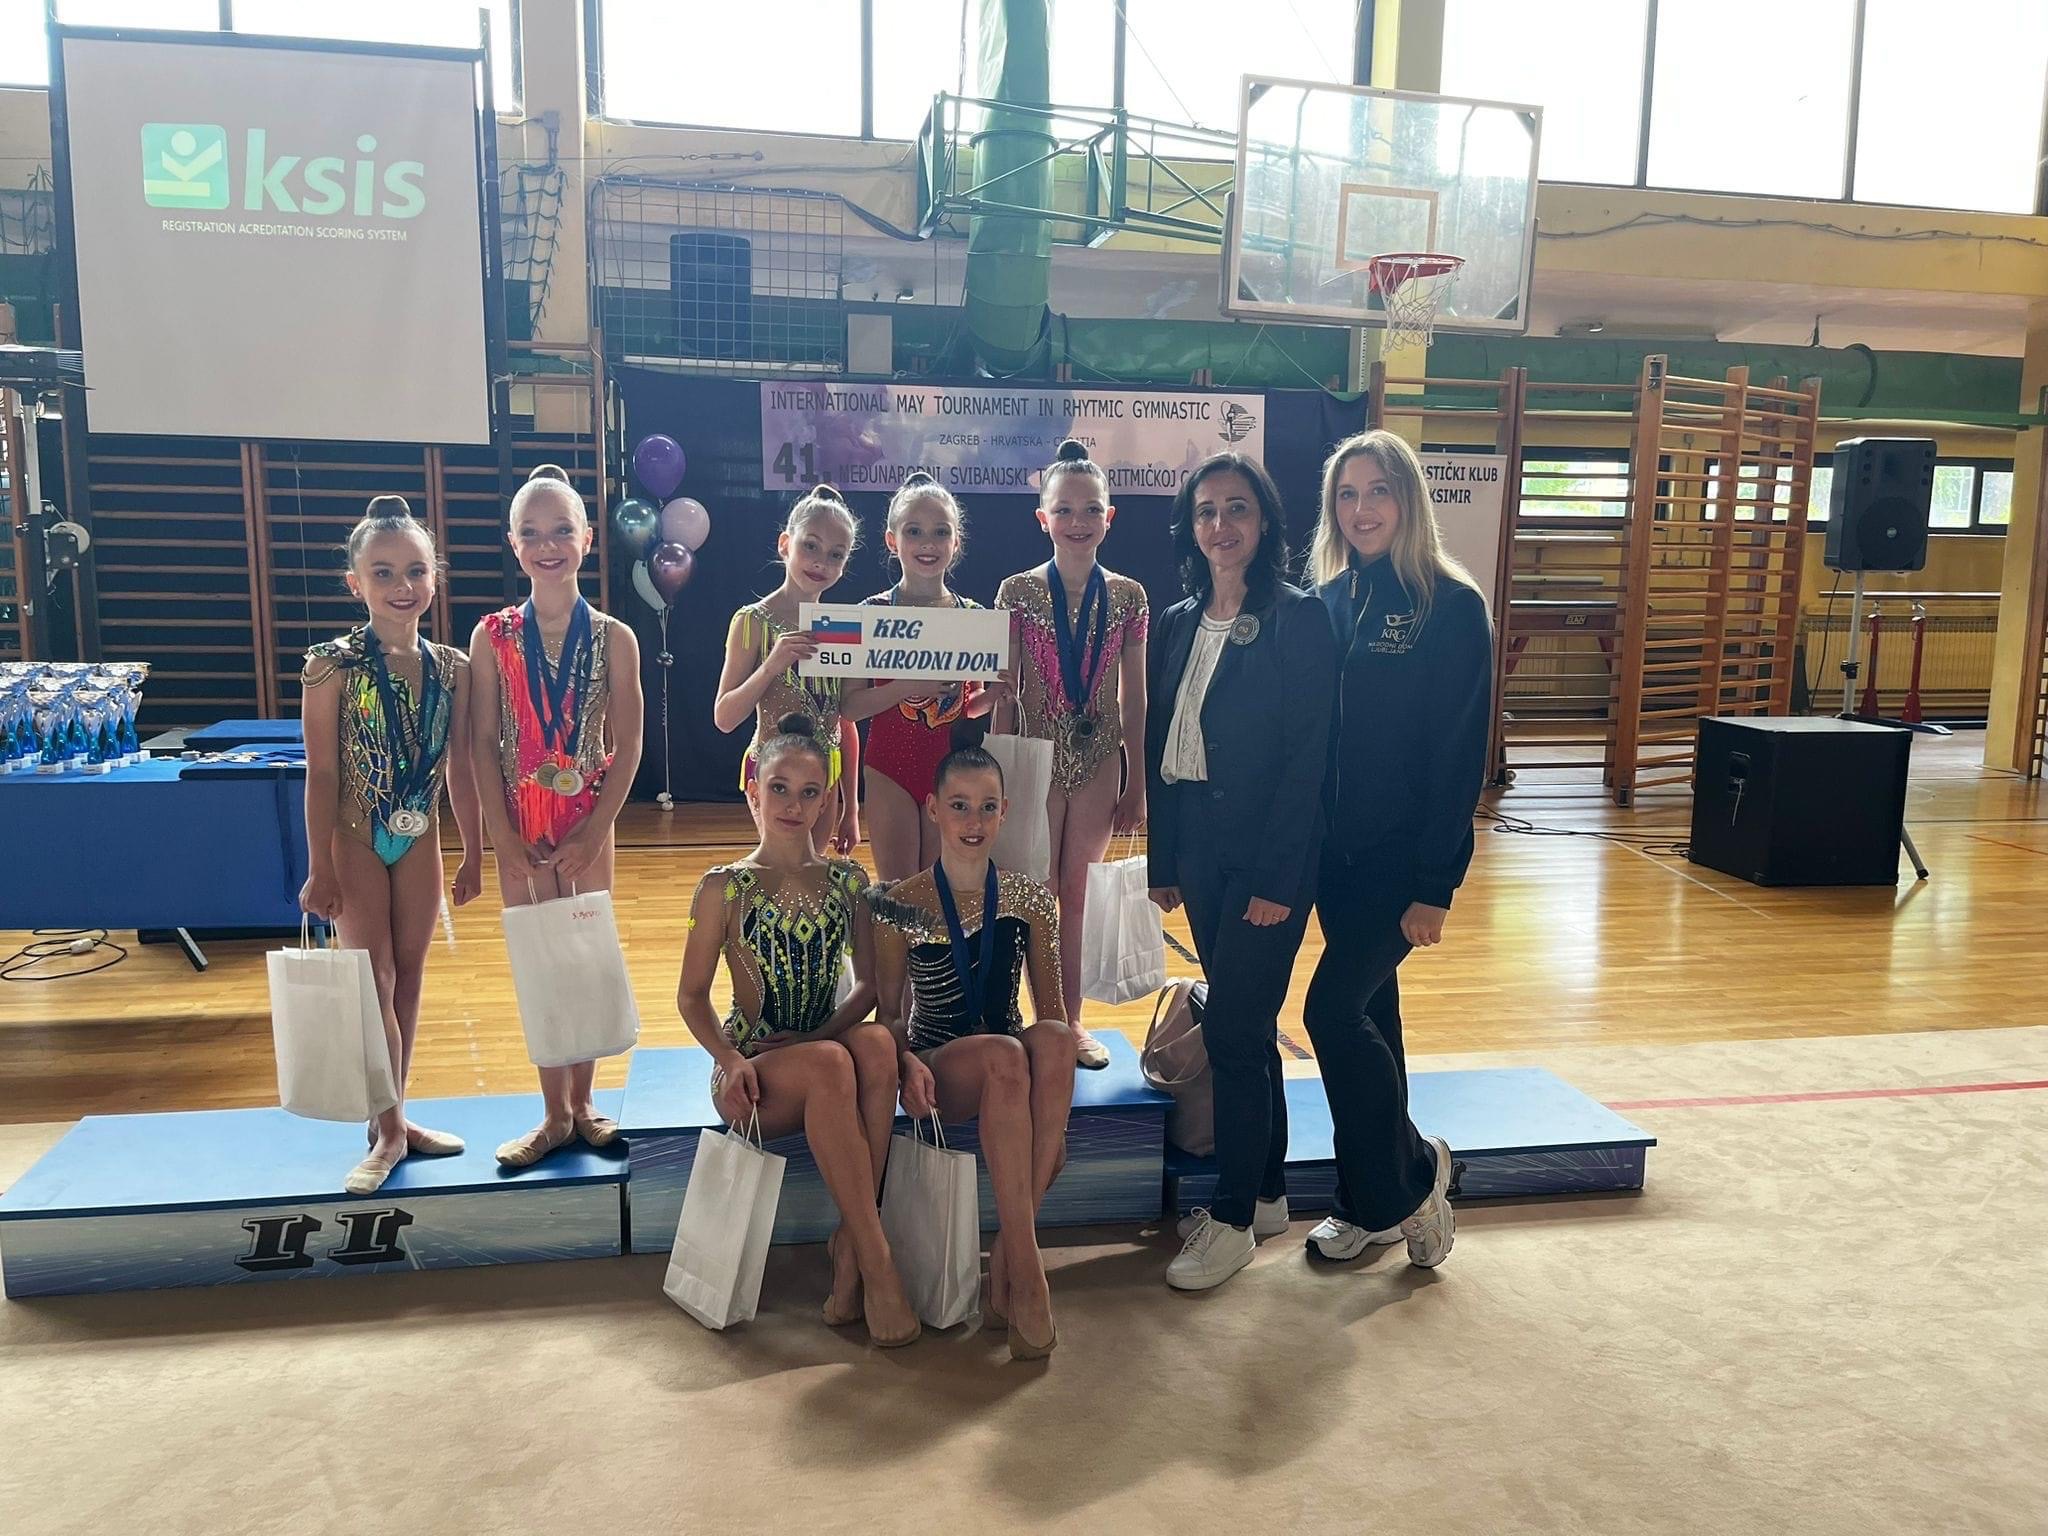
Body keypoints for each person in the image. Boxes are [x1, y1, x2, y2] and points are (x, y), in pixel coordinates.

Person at [1301, 429, 1493, 1270]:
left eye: (1378, 490)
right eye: (1347, 494)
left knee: (1329, 1013)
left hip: (1400, 865)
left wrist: (1434, 884)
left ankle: (1413, 1177)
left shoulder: (1451, 606)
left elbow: (1457, 756)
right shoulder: (1327, 602)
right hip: (1334, 864)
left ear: (1408, 498)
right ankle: (1364, 1198)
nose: (1362, 508)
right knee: (1373, 1020)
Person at [1143, 454, 1336, 1290]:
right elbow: (1161, 742)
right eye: (1207, 511)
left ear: (1265, 522)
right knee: (1249, 1027)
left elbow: (1307, 761)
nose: (1221, 525)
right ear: (1191, 527)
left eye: (1238, 509)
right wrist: (1163, 860)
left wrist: (1277, 880)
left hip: (1267, 862)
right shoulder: (1178, 621)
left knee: (1230, 1030)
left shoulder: (1300, 619)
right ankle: (1264, 1193)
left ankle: (1228, 1223)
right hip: (1198, 851)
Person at [675, 715, 919, 1347]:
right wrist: (729, 1059)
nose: (793, 805)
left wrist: (819, 1039)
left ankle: (852, 1243)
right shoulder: (723, 887)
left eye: (809, 792)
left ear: (828, 799)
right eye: (779, 788)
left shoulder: (848, 881)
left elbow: (869, 987)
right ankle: (876, 1262)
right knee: (834, 1062)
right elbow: (691, 997)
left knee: (875, 1043)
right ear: (753, 789)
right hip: (753, 1072)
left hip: (822, 1049)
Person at [299, 495, 483, 1195]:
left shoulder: (453, 667)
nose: (402, 587)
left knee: (408, 977)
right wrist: (318, 866)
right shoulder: (330, 664)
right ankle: (390, 1127)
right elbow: (321, 773)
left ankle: (392, 1120)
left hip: (420, 836)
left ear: (435, 576)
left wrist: (473, 850)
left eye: (415, 571)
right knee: (372, 979)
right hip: (353, 837)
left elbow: (462, 766)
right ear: (356, 583)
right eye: (383, 573)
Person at [867, 743, 1072, 1360]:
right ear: (932, 809)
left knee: (1056, 1039)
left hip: (1010, 1058)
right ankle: (1026, 1277)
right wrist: (904, 1062)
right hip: (941, 1064)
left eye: (987, 806)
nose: (973, 820)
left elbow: (1052, 1011)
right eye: (959, 806)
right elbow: (889, 1015)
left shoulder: (1030, 899)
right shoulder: (899, 903)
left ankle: (1009, 1255)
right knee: (1005, 1055)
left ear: (1005, 811)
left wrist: (1052, 1111)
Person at [468, 465, 645, 1167]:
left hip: (586, 816)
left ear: (588, 538)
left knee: (585, 952)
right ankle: (552, 1114)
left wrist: (596, 829)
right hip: (519, 818)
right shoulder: (492, 636)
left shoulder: (615, 637)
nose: (548, 546)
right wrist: (500, 839)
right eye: (532, 533)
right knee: (539, 962)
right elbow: (482, 743)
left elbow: (629, 744)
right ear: (513, 543)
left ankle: (585, 1101)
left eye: (562, 530)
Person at [993, 440, 1148, 1072]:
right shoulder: (1017, 592)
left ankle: (1071, 1020)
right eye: (1063, 510)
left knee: (1077, 894)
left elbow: (1135, 697)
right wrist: (999, 768)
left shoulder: (1130, 597)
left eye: (1090, 510)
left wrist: (1137, 783)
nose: (1077, 521)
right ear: (1043, 518)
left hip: (1100, 758)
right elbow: (1004, 689)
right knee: (1031, 891)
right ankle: (1025, 1016)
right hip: (1032, 754)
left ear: (1109, 517)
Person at [841, 473, 1005, 883]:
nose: (927, 543)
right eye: (914, 531)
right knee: (898, 893)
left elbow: (967, 705)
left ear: (956, 542)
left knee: (939, 892)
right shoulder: (870, 613)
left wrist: (994, 695)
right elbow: (850, 707)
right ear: (892, 540)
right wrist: (906, 687)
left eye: (940, 531)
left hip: (949, 771)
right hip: (888, 768)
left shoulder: (973, 617)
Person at [713, 483, 864, 854]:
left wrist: (852, 808)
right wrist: (771, 665)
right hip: (773, 771)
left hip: (824, 773)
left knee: (812, 872)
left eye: (835, 554)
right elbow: (725, 717)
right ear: (785, 544)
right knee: (782, 869)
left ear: (845, 565)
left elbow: (844, 722)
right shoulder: (753, 621)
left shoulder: (842, 627)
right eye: (810, 546)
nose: (821, 562)